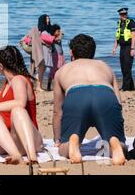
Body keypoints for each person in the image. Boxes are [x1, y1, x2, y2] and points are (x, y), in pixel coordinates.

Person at [52, 34, 126, 165]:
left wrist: (58, 140)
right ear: (93, 52)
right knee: (120, 144)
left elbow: (57, 112)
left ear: (71, 52)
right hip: (105, 95)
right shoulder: (105, 66)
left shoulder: (62, 71)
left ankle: (71, 144)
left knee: (63, 148)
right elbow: (119, 103)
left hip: (76, 96)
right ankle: (114, 143)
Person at [0, 46, 42, 165]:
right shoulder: (7, 83)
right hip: (10, 143)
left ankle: (31, 156)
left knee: (17, 110)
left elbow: (20, 102)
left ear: (1, 65)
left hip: (27, 140)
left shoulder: (18, 79)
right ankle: (16, 155)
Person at [112, 7, 135, 91]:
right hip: (122, 47)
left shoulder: (131, 22)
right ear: (119, 15)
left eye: (125, 14)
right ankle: (131, 87)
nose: (124, 15)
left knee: (127, 67)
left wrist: (132, 49)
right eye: (122, 14)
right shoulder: (119, 23)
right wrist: (114, 47)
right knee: (123, 67)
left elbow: (133, 36)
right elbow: (117, 37)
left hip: (128, 47)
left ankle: (126, 87)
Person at [35, 14, 55, 92]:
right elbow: (46, 39)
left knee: (42, 69)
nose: (48, 20)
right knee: (41, 69)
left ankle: (39, 86)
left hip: (46, 51)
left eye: (48, 18)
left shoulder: (46, 30)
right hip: (42, 51)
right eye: (46, 19)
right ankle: (38, 87)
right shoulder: (42, 31)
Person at [47, 24, 65, 91]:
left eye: (59, 30)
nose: (59, 32)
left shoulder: (58, 37)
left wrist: (60, 33)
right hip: (55, 56)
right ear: (53, 32)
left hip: (61, 55)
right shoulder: (53, 38)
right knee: (53, 70)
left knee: (61, 69)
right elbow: (58, 39)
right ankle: (48, 85)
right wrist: (60, 34)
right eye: (58, 31)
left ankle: (60, 85)